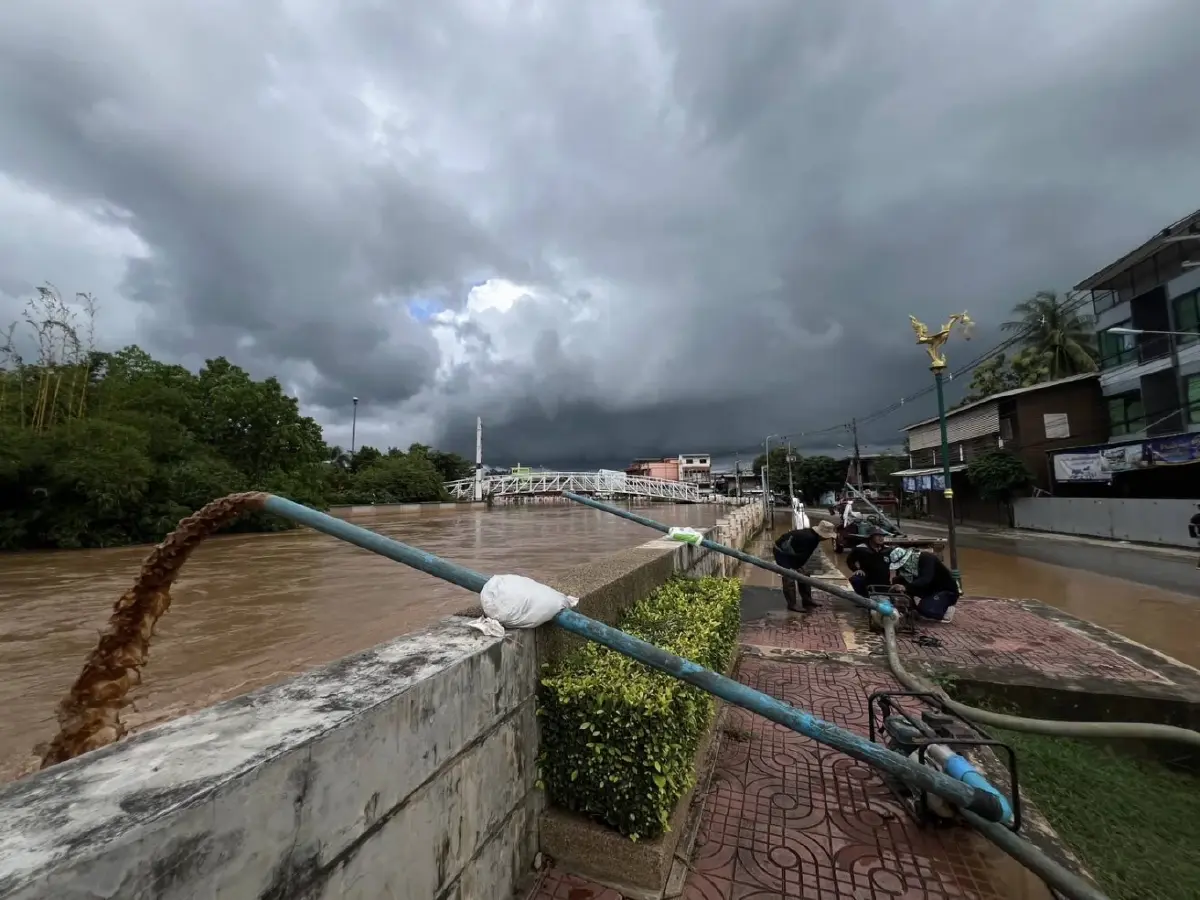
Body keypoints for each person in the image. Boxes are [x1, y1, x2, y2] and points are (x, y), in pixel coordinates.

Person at [773, 520, 838, 611]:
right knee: (789, 577)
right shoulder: (809, 539)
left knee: (805, 574)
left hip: (792, 550)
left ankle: (807, 599)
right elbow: (801, 557)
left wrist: (799, 569)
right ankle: (792, 604)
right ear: (822, 535)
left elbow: (802, 557)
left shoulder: (814, 538)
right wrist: (795, 568)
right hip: (781, 551)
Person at [887, 546, 959, 623]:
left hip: (945, 590)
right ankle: (913, 608)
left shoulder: (927, 558)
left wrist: (905, 587)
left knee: (927, 610)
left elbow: (926, 579)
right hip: (930, 589)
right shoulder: (906, 569)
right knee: (898, 581)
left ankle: (947, 608)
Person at [846, 528, 890, 599]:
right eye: (878, 536)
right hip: (867, 578)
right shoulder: (861, 549)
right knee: (855, 579)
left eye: (882, 536)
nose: (881, 538)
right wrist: (856, 569)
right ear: (871, 537)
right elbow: (849, 561)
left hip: (883, 581)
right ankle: (862, 598)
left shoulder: (887, 550)